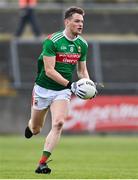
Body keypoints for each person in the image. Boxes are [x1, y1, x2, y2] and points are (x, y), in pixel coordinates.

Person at [24, 6, 97, 174]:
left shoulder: (82, 44)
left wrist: (88, 85)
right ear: (67, 22)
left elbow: (81, 71)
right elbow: (49, 70)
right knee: (36, 129)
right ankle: (30, 126)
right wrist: (70, 85)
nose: (80, 25)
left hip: (62, 92)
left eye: (82, 22)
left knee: (59, 123)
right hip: (43, 88)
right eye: (77, 21)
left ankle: (42, 163)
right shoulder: (53, 40)